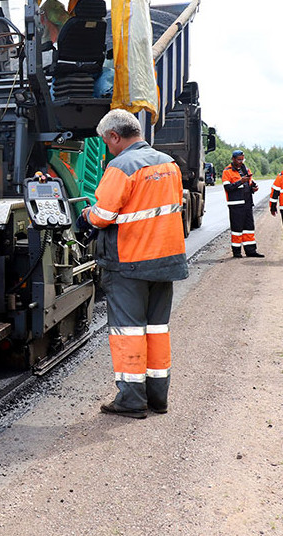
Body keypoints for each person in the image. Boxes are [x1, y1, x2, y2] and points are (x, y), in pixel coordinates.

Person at [81, 109, 188, 419]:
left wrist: (85, 216)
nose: (107, 147)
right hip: (165, 261)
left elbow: (102, 215)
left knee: (128, 332)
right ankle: (157, 398)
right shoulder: (168, 164)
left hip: (130, 264)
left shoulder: (121, 166)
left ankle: (131, 400)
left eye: (106, 141)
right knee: (157, 330)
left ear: (115, 136)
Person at [222, 150, 265, 258]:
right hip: (236, 205)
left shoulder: (246, 169)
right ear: (233, 159)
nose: (241, 161)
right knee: (237, 229)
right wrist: (240, 181)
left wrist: (253, 188)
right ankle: (236, 252)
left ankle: (251, 251)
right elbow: (228, 188)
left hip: (247, 204)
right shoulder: (227, 171)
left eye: (242, 159)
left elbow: (250, 184)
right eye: (239, 159)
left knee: (249, 228)